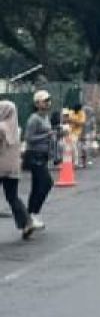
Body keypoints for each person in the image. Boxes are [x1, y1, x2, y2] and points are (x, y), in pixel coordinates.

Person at [0, 101, 34, 240]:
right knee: (12, 197)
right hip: (13, 169)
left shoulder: (1, 127)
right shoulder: (16, 128)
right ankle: (26, 222)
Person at [23, 91, 55, 231]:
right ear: (37, 103)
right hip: (34, 154)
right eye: (45, 100)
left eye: (49, 100)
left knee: (37, 186)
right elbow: (28, 138)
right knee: (46, 183)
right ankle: (32, 213)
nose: (48, 102)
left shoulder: (45, 117)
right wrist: (46, 135)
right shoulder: (34, 119)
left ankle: (30, 215)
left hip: (42, 154)